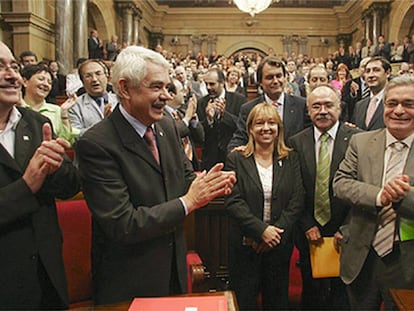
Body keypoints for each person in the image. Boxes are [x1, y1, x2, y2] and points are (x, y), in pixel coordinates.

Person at [76, 46, 236, 305]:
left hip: (173, 273)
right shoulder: (96, 144)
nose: (166, 96)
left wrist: (209, 184)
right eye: (156, 87)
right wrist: (189, 202)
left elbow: (184, 177)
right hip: (129, 281)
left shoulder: (166, 126)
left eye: (168, 87)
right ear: (125, 88)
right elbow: (123, 224)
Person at [0, 41, 80, 309]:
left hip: (44, 278)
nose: (12, 75)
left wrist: (56, 168)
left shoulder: (35, 123)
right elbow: (29, 185)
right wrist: (26, 186)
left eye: (13, 66)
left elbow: (70, 186)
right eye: (0, 67)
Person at [333, 75, 414, 310]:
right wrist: (380, 196)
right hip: (362, 256)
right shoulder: (361, 142)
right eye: (392, 103)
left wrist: (402, 197)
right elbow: (341, 183)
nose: (398, 110)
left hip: (406, 261)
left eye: (408, 104)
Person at [225, 103, 304, 311]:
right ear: (250, 128)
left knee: (277, 303)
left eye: (272, 123)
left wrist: (273, 235)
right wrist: (261, 231)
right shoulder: (236, 158)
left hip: (278, 246)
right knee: (245, 303)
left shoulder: (291, 158)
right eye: (259, 123)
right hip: (245, 245)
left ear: (279, 128)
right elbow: (234, 201)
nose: (266, 128)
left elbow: (297, 201)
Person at [289, 85, 361, 310]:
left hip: (346, 229)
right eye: (316, 106)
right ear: (308, 111)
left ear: (339, 108)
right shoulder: (296, 142)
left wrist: (347, 227)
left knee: (343, 294)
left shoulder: (358, 139)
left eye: (328, 105)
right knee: (311, 290)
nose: (322, 111)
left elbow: (362, 186)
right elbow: (293, 189)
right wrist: (306, 224)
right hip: (309, 230)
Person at [228, 56, 310, 151]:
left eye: (279, 76)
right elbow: (238, 141)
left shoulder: (301, 105)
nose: (275, 81)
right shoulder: (249, 109)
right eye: (269, 77)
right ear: (260, 82)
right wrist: (237, 150)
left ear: (285, 78)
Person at [197, 67, 246, 170]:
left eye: (212, 84)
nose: (208, 87)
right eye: (206, 84)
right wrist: (209, 119)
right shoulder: (202, 102)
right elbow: (200, 134)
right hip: (210, 159)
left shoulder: (238, 99)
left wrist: (225, 115)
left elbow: (242, 127)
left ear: (222, 83)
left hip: (232, 157)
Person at [21, 64, 79, 146]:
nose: (45, 84)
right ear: (25, 81)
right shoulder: (15, 109)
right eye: (41, 79)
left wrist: (63, 112)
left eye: (49, 82)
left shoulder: (56, 110)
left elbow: (66, 141)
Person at [68, 59, 117, 136]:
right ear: (82, 81)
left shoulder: (121, 101)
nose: (94, 79)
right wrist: (104, 125)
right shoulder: (75, 106)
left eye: (98, 74)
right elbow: (75, 135)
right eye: (88, 76)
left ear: (107, 76)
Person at [165, 78, 204, 171]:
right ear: (171, 95)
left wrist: (193, 119)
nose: (184, 94)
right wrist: (186, 119)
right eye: (181, 90)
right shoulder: (161, 115)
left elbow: (200, 138)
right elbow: (173, 132)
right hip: (174, 167)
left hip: (191, 164)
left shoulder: (181, 113)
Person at [352, 56, 391, 131]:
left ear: (388, 73)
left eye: (376, 70)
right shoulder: (359, 106)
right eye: (367, 71)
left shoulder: (395, 102)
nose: (371, 75)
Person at [342, 57, 371, 122]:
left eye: (369, 67)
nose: (366, 69)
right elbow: (345, 105)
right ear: (358, 69)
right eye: (364, 66)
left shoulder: (378, 84)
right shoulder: (349, 84)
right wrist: (353, 95)